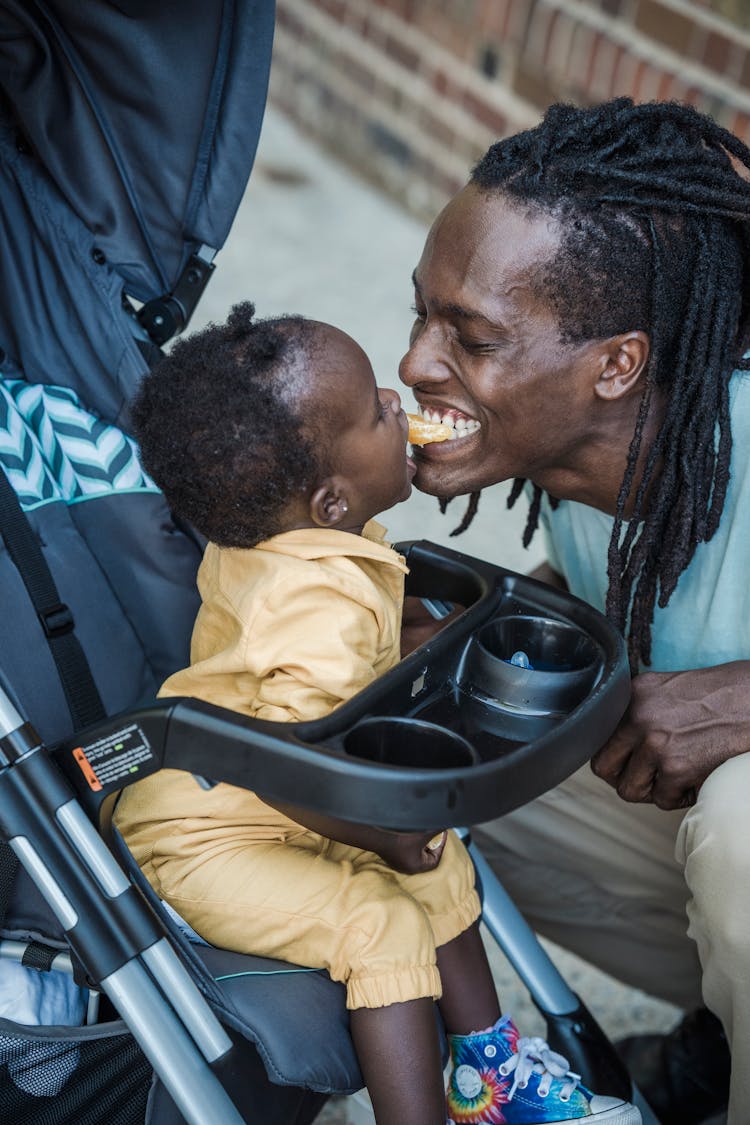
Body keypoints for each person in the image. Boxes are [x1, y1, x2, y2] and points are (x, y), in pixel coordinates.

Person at [113, 302, 638, 1125]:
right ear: (328, 500)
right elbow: (277, 757)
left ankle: (487, 1080)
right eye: (374, 413)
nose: (398, 403)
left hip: (269, 800)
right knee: (381, 921)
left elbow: (331, 667)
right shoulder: (317, 602)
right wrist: (379, 832)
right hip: (207, 836)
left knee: (443, 864)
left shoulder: (283, 541)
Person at [397, 96, 750, 1125]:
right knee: (394, 742)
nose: (417, 363)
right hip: (699, 892)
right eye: (421, 314)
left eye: (472, 337)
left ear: (618, 365)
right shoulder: (574, 455)